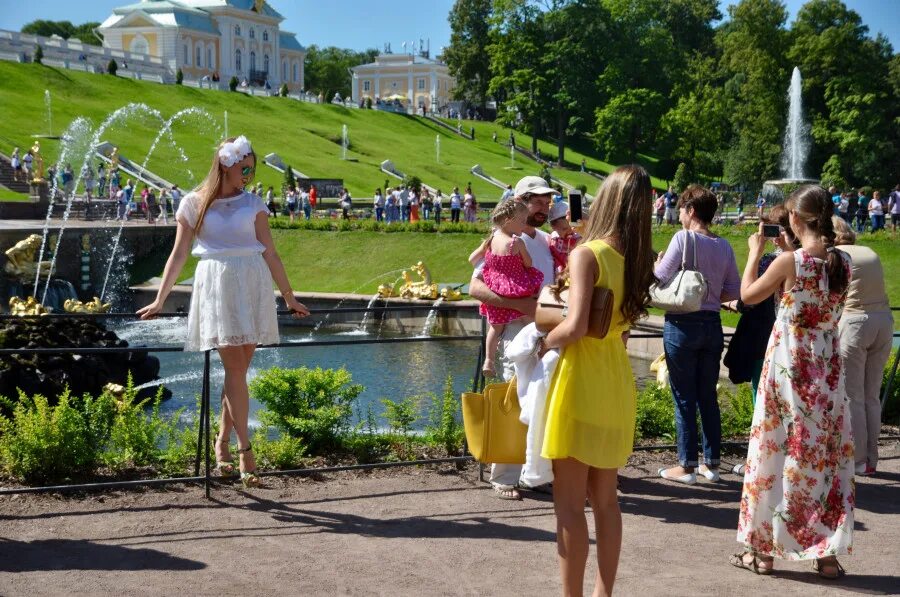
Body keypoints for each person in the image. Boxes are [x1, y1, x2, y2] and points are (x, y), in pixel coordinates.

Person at [137, 135, 310, 488]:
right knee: (235, 370)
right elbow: (179, 254)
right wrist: (160, 299)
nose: (248, 173)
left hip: (253, 283)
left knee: (238, 375)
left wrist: (289, 297)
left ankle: (221, 441)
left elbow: (270, 253)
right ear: (225, 164)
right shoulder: (193, 203)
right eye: (244, 166)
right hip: (217, 282)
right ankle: (246, 450)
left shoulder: (254, 203)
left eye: (251, 167)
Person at [540, 165, 657, 597]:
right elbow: (620, 331)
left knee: (569, 504)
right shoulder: (637, 259)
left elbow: (572, 328)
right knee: (606, 501)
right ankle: (602, 594)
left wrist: (541, 343)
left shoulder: (588, 253)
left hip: (582, 380)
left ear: (605, 201)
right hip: (615, 381)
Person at [732, 185, 852, 580]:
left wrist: (754, 253)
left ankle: (762, 552)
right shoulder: (842, 262)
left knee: (773, 451)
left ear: (796, 220)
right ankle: (826, 554)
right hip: (826, 368)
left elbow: (748, 296)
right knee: (821, 460)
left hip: (790, 366)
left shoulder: (789, 262)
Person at [469, 175, 556, 500]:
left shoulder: (547, 240)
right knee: (512, 399)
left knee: (542, 400)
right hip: (517, 328)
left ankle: (537, 472)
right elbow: (476, 286)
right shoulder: (502, 237)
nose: (543, 208)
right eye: (537, 202)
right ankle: (505, 475)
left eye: (547, 202)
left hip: (547, 330)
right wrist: (520, 305)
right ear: (518, 203)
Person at [655, 185, 741, 485]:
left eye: (681, 208)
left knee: (683, 397)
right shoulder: (725, 245)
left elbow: (659, 277)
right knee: (708, 396)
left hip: (682, 323)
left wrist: (656, 262)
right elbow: (733, 291)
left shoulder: (684, 238)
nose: (679, 214)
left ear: (691, 210)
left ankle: (687, 466)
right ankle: (712, 463)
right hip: (712, 324)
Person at [832, 216, 892, 476]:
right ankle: (871, 458)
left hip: (855, 322)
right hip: (883, 321)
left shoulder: (837, 255)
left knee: (853, 395)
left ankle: (857, 459)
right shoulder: (870, 251)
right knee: (871, 395)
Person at [469, 201, 544, 376]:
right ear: (510, 220)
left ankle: (488, 360)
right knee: (529, 318)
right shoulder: (515, 243)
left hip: (496, 288)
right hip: (515, 288)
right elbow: (528, 263)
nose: (525, 224)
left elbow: (473, 259)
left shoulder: (491, 239)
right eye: (522, 220)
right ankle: (540, 348)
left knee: (495, 328)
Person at [548, 201, 581, 272]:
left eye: (572, 227)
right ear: (553, 227)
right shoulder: (552, 239)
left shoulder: (578, 239)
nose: (570, 231)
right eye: (564, 229)